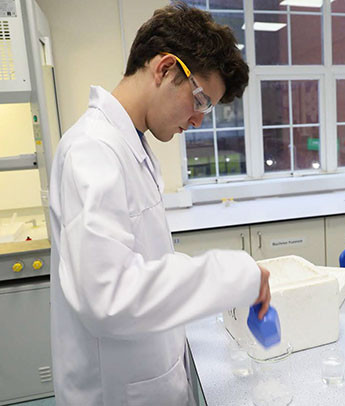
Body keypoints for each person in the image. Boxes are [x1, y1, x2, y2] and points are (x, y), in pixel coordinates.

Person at [48, 3, 270, 405]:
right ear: (165, 69)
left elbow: (143, 263)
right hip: (115, 392)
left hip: (150, 377)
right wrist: (234, 275)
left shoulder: (132, 145)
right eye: (200, 100)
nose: (200, 120)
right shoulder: (91, 151)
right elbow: (109, 297)